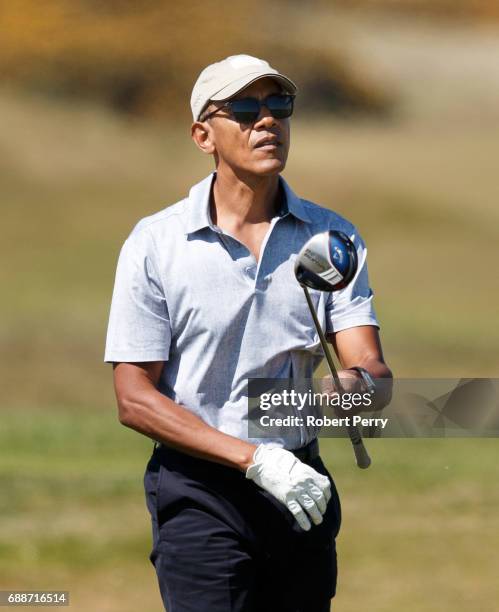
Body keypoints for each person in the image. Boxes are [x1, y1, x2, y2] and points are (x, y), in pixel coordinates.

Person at [104, 54, 392, 612]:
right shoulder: (156, 244)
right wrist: (252, 459)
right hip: (200, 491)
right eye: (244, 108)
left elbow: (373, 371)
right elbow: (134, 398)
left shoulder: (332, 237)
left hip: (300, 484)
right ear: (202, 135)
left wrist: (356, 387)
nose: (267, 121)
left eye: (278, 105)